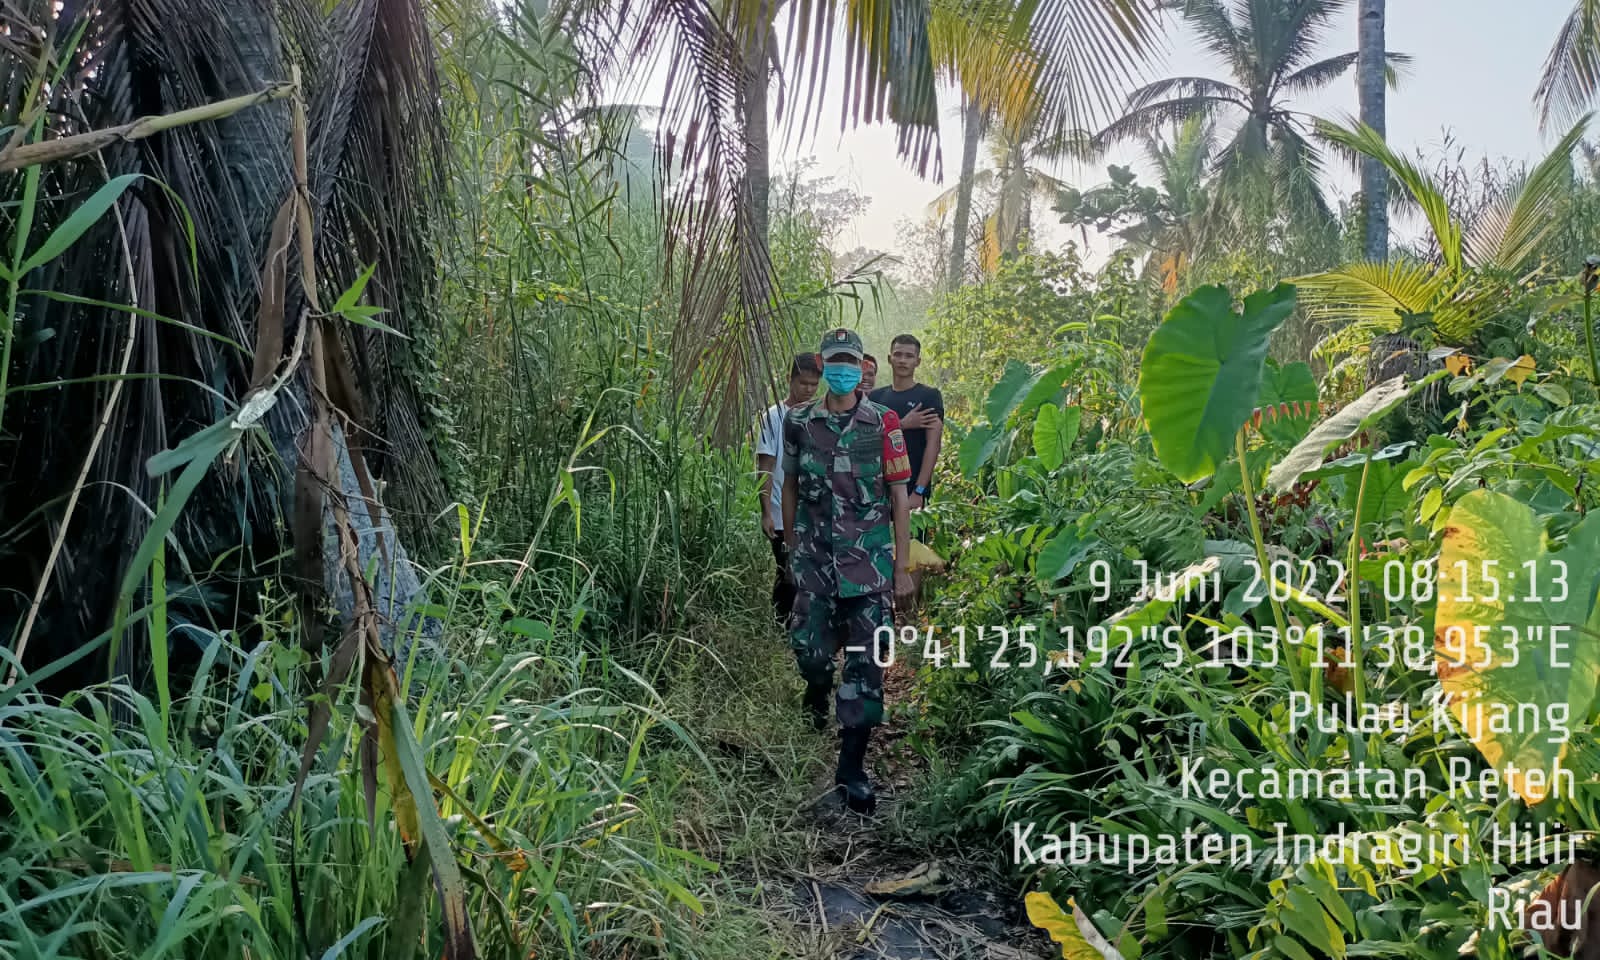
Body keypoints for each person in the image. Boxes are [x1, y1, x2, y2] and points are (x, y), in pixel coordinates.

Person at [782, 327, 914, 814]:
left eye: (850, 362)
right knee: (810, 651)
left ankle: (852, 767)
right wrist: (791, 544)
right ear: (823, 362)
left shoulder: (884, 423)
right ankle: (816, 691)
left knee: (866, 666)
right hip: (816, 561)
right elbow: (790, 482)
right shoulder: (798, 421)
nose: (842, 370)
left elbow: (899, 496)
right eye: (834, 361)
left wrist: (901, 567)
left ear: (861, 367)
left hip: (869, 565)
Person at [757, 353, 820, 625]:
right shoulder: (774, 417)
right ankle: (781, 623)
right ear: (789, 380)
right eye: (803, 383)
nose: (808, 389)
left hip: (812, 508)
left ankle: (798, 623)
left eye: (813, 384)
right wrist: (766, 512)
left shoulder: (819, 415)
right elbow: (765, 466)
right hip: (782, 509)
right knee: (788, 569)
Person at [869, 334, 944, 511]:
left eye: (909, 356)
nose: (903, 360)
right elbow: (867, 440)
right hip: (877, 491)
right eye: (898, 354)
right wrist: (901, 425)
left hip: (912, 490)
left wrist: (919, 491)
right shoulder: (875, 398)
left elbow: (933, 445)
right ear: (890, 358)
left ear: (918, 361)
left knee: (912, 539)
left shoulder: (929, 396)